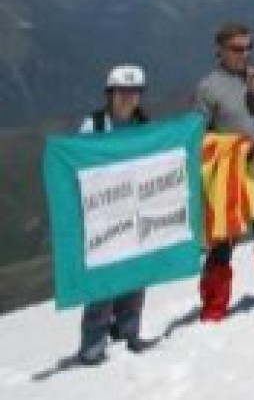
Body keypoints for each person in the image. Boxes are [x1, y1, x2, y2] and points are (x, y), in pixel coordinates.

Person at [194, 22, 254, 320]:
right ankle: (214, 306)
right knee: (222, 242)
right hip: (228, 175)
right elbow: (199, 137)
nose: (244, 54)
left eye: (249, 48)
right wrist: (238, 147)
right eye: (237, 48)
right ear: (220, 50)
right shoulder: (208, 88)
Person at [74, 65, 156, 365]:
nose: (129, 98)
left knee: (135, 276)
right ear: (110, 94)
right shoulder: (93, 125)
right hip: (103, 218)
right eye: (123, 92)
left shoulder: (145, 124)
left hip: (135, 213)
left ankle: (127, 333)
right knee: (103, 282)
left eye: (134, 92)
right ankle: (93, 345)